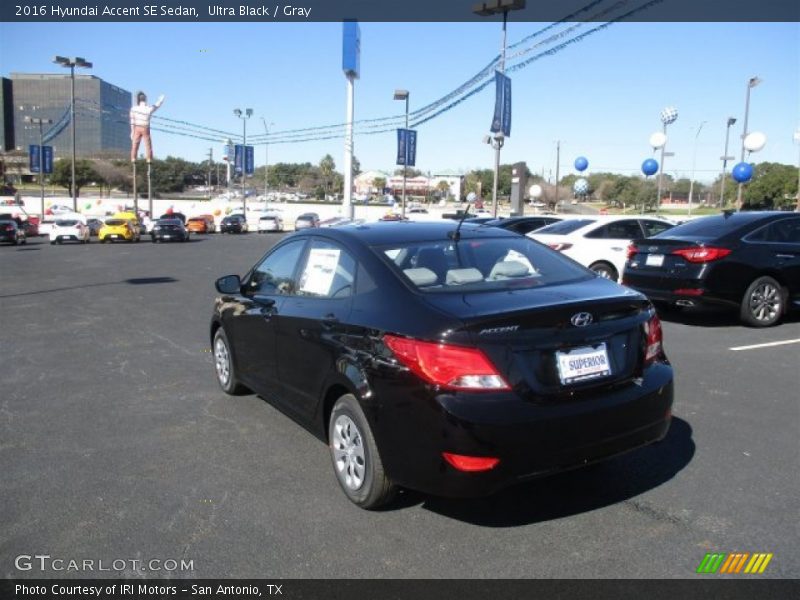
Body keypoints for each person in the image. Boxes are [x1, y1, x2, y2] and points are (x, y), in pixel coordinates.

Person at [130, 91, 165, 163]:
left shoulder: (134, 108)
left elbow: (132, 121)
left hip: (137, 127)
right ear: (145, 99)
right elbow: (156, 106)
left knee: (135, 144)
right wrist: (160, 100)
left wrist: (132, 131)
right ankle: (149, 159)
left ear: (138, 99)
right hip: (145, 126)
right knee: (148, 144)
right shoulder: (148, 108)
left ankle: (133, 158)